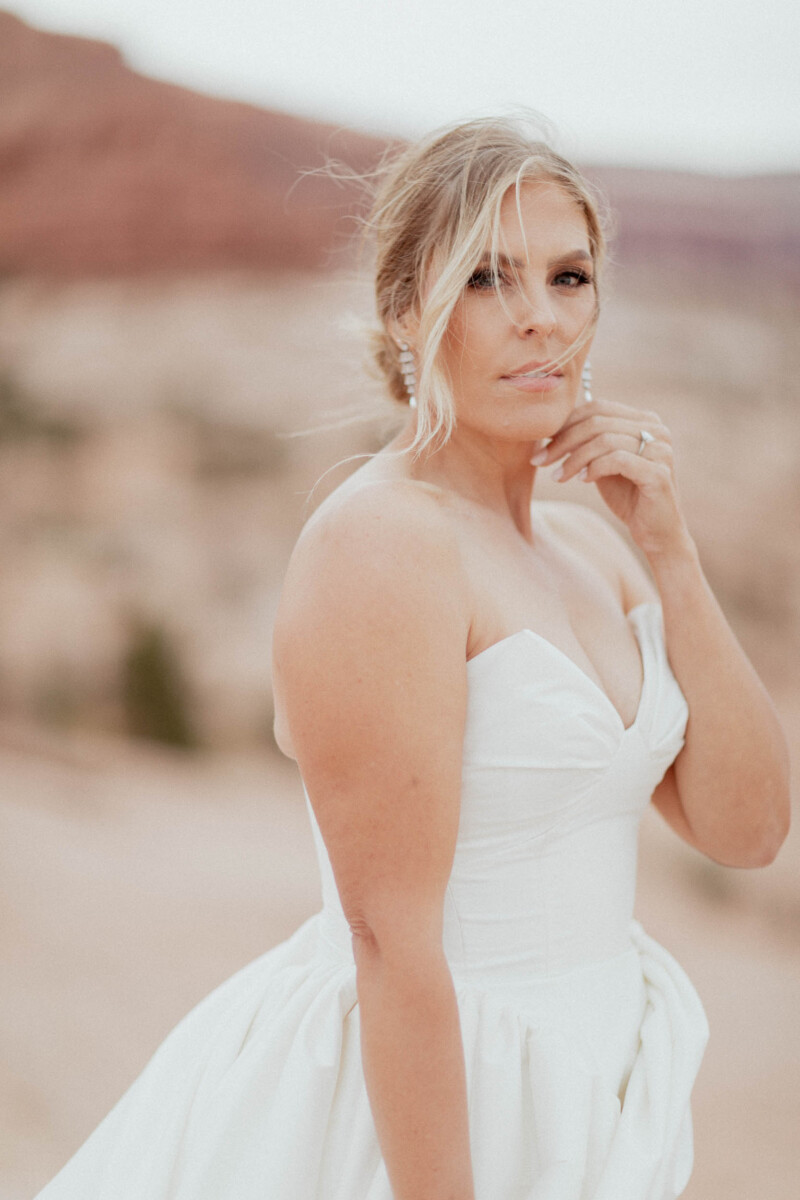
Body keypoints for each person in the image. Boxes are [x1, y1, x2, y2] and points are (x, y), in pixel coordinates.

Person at [34, 113, 790, 1200]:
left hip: (593, 1087)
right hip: (435, 1107)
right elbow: (391, 946)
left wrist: (671, 553)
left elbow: (749, 830)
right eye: (485, 278)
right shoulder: (381, 544)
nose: (538, 318)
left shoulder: (594, 549)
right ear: (404, 310)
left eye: (567, 277)